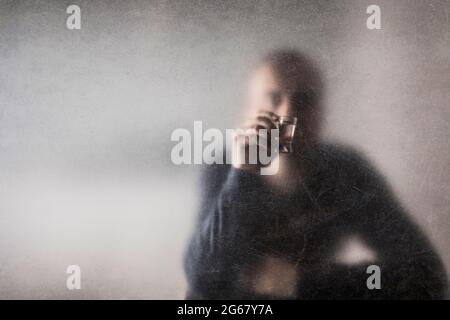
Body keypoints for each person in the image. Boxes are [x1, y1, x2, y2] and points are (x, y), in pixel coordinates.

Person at [184, 49, 448, 299]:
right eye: (274, 98)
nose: (288, 114)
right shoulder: (224, 166)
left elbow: (427, 276)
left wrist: (297, 282)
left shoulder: (346, 171)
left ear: (320, 113)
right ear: (248, 112)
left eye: (303, 101)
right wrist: (243, 173)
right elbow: (203, 281)